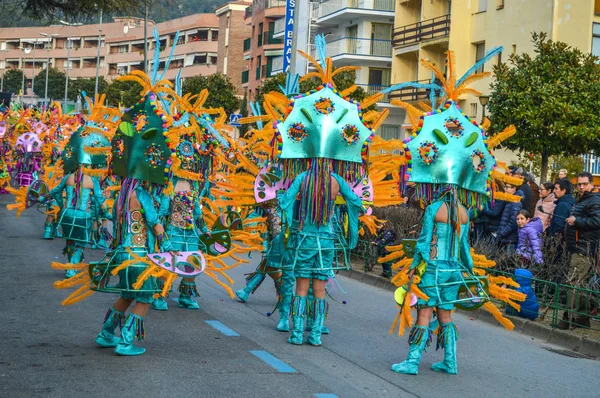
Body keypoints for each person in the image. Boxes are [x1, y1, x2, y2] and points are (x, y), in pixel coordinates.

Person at [558, 172, 600, 329]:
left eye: (584, 184)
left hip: (584, 247)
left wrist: (576, 221)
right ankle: (582, 319)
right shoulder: (583, 199)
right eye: (579, 184)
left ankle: (568, 318)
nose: (581, 187)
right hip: (579, 245)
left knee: (573, 282)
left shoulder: (594, 199)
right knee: (580, 284)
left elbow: (597, 221)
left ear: (591, 184)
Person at [495, 183, 523, 251]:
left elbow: (513, 222)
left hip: (510, 240)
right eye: (505, 187)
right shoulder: (509, 201)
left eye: (507, 187)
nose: (505, 189)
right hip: (506, 239)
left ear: (513, 189)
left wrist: (502, 233)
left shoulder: (515, 202)